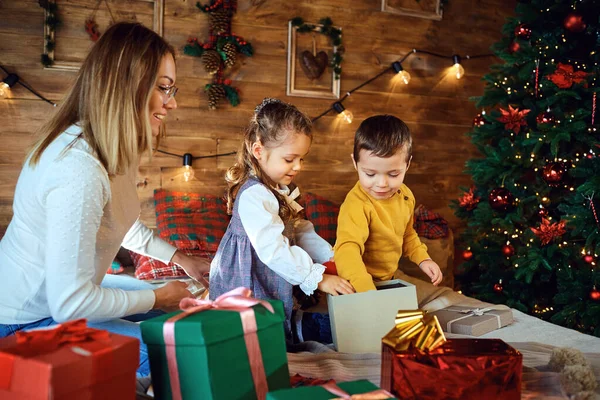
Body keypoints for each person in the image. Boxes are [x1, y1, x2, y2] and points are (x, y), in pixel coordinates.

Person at [0, 22, 210, 377]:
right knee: (186, 355)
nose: (172, 103)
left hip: (63, 303)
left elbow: (116, 226)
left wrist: (182, 260)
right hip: (23, 324)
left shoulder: (111, 150)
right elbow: (70, 302)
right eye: (163, 88)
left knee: (180, 326)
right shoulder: (77, 167)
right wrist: (158, 296)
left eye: (171, 89)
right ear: (126, 85)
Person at [208, 98, 354, 340]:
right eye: (290, 159)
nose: (297, 166)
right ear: (258, 151)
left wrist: (331, 258)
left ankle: (300, 329)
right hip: (246, 276)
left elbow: (301, 229)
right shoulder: (255, 194)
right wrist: (316, 278)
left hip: (269, 272)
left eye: (302, 159)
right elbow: (273, 250)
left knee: (275, 315)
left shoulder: (280, 188)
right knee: (253, 326)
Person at [334, 115, 443, 293]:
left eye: (393, 174)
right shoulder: (356, 204)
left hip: (388, 278)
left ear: (407, 165)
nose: (382, 184)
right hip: (355, 281)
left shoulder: (406, 196)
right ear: (355, 163)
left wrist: (424, 259)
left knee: (406, 319)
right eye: (370, 174)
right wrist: (364, 288)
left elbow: (407, 235)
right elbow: (347, 249)